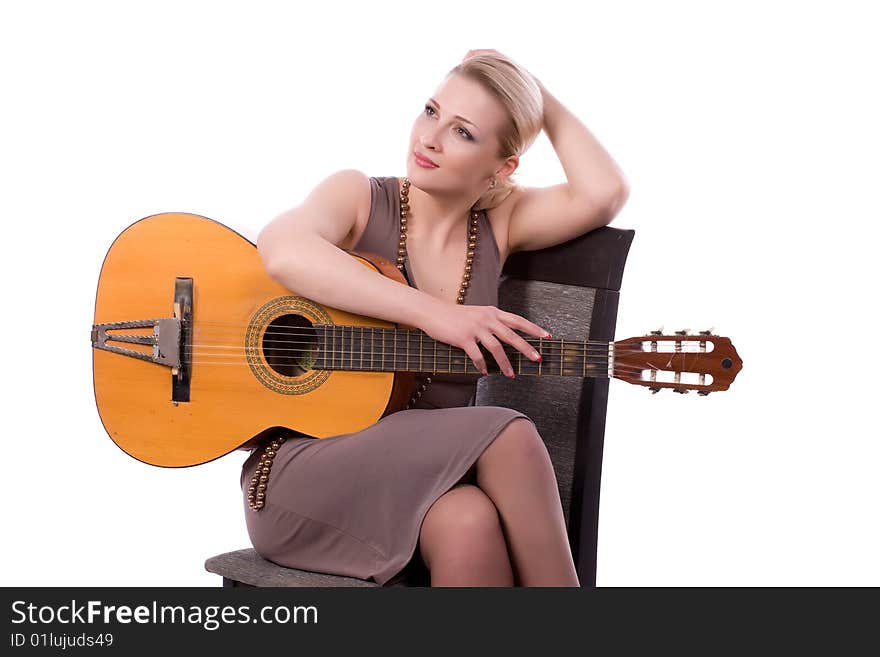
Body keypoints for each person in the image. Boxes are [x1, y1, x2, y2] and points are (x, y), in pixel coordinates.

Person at [242, 49, 630, 587]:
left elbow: (603, 191)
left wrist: (531, 86)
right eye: (430, 111)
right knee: (509, 435)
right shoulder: (359, 198)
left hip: (425, 487)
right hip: (300, 475)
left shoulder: (500, 223)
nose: (429, 138)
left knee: (469, 521)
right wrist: (435, 314)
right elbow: (282, 250)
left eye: (462, 132)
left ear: (504, 167)